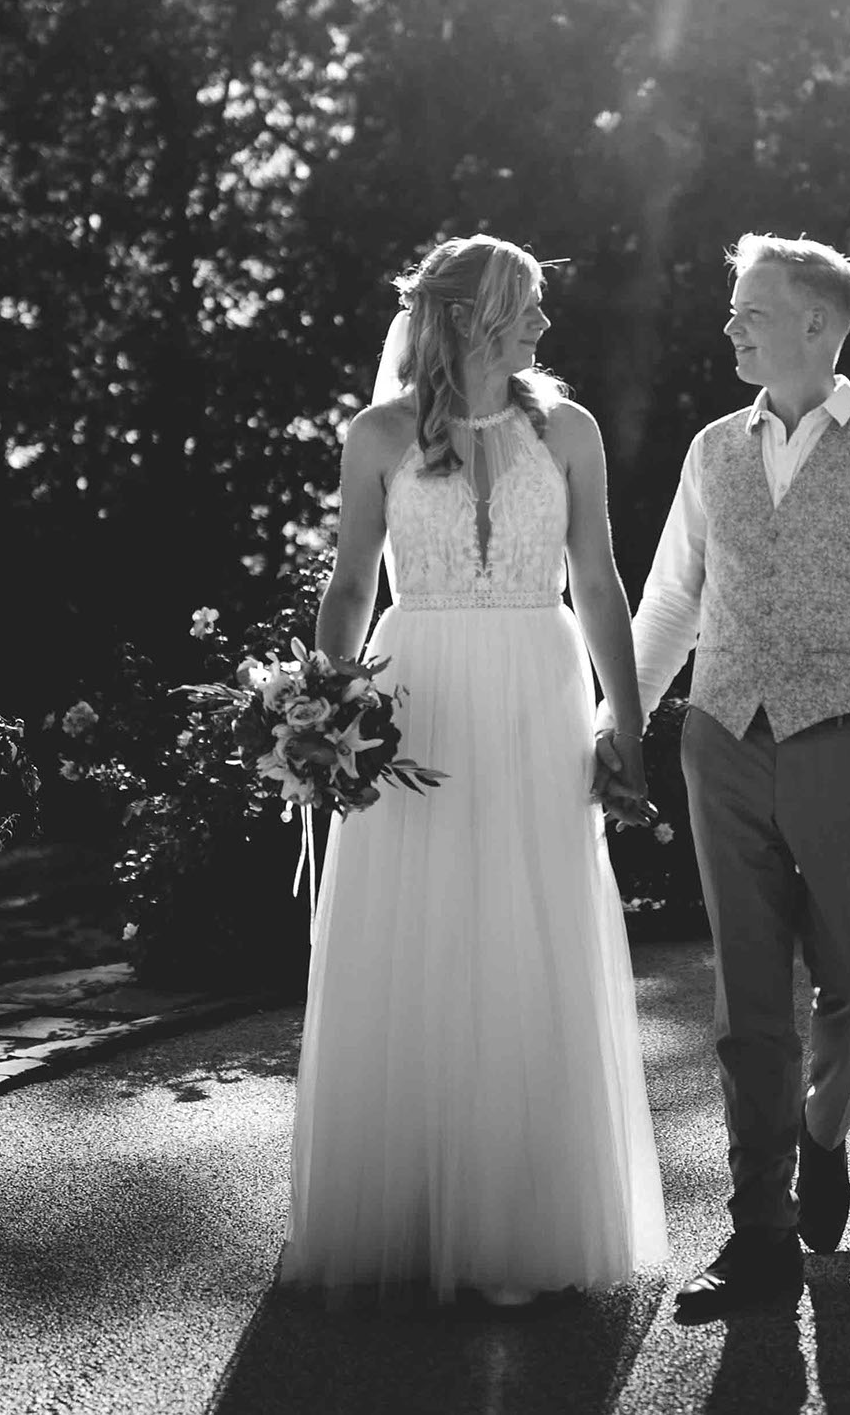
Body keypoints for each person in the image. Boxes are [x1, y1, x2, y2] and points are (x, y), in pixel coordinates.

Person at [279, 234, 668, 1307]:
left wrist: (626, 726)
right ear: (465, 316)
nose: (543, 320)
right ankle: (408, 1213)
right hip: (420, 692)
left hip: (541, 687)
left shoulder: (569, 430)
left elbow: (599, 580)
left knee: (527, 923)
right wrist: (323, 709)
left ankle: (518, 1219)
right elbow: (350, 582)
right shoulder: (379, 434)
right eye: (524, 303)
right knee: (421, 924)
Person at [604, 233, 850, 1324]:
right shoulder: (712, 447)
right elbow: (672, 600)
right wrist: (621, 725)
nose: (730, 325)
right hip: (721, 739)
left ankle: (821, 1133)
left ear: (816, 323)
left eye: (749, 309)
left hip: (847, 743)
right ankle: (756, 1230)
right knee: (747, 997)